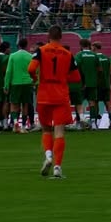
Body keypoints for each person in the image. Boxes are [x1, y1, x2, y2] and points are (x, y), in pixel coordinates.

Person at [28, 25, 79, 179]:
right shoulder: (68, 54)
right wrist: (63, 78)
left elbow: (31, 68)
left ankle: (48, 156)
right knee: (59, 131)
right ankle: (57, 167)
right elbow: (76, 78)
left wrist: (35, 78)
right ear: (61, 36)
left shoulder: (41, 50)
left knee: (46, 129)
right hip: (61, 95)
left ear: (48, 36)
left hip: (44, 94)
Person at [4, 37, 35, 133]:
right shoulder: (30, 56)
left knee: (14, 104)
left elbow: (8, 71)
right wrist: (33, 81)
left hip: (15, 83)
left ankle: (15, 122)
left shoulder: (13, 56)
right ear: (26, 45)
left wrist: (6, 85)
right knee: (25, 104)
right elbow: (33, 70)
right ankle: (24, 126)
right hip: (27, 82)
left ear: (18, 45)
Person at [75, 36, 99, 128]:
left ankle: (80, 122)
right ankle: (93, 123)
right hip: (92, 83)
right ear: (89, 45)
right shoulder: (95, 55)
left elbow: (76, 69)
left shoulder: (79, 55)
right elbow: (99, 69)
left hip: (81, 83)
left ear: (81, 45)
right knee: (92, 102)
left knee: (79, 102)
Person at [93, 41, 111, 128]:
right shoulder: (106, 58)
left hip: (97, 84)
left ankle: (95, 122)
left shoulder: (94, 58)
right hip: (106, 84)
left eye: (92, 47)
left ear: (94, 47)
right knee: (108, 103)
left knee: (95, 103)